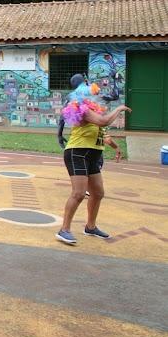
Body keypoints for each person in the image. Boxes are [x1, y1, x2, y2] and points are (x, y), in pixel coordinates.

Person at [55, 76, 131, 245]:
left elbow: (101, 133)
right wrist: (119, 108)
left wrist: (116, 147)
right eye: (88, 85)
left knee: (98, 193)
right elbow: (103, 122)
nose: (92, 87)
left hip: (93, 155)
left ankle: (90, 226)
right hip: (78, 153)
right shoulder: (81, 108)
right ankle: (64, 230)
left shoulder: (93, 108)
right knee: (79, 193)